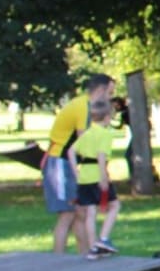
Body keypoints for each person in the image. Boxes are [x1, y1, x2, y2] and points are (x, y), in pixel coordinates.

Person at [43, 73, 113, 254]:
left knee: (80, 212)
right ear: (101, 90)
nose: (110, 98)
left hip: (67, 163)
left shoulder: (84, 105)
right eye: (110, 93)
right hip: (59, 163)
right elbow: (86, 144)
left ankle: (85, 255)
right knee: (67, 213)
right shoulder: (83, 107)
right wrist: (100, 172)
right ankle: (58, 259)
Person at [73, 98, 126, 256]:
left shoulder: (87, 133)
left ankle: (93, 248)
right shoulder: (105, 134)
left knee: (90, 213)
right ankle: (103, 238)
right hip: (97, 175)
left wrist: (76, 172)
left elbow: (70, 152)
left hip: (84, 177)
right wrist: (104, 177)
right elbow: (101, 155)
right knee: (115, 206)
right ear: (107, 117)